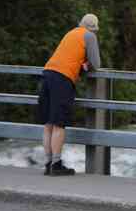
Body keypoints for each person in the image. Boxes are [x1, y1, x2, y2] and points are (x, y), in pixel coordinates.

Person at [38, 14, 101, 176]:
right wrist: (85, 65)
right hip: (62, 78)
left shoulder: (71, 33)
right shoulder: (89, 36)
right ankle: (56, 165)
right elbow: (96, 64)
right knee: (59, 123)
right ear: (94, 27)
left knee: (48, 123)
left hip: (47, 74)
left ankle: (48, 163)